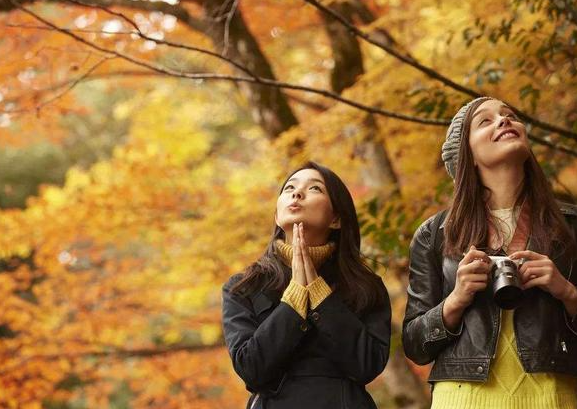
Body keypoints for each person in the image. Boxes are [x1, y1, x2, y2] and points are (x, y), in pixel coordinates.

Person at [403, 97, 577, 408]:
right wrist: (456, 299)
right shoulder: (435, 234)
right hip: (464, 398)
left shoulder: (570, 226)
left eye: (510, 115)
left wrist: (566, 291)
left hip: (555, 397)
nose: (504, 121)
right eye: (485, 121)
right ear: (466, 155)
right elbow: (415, 346)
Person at [222, 161, 391, 409]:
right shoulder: (244, 286)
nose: (297, 193)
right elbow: (251, 368)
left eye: (315, 189)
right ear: (277, 217)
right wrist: (296, 295)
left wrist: (319, 292)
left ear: (336, 219)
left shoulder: (365, 286)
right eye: (290, 187)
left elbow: (368, 364)